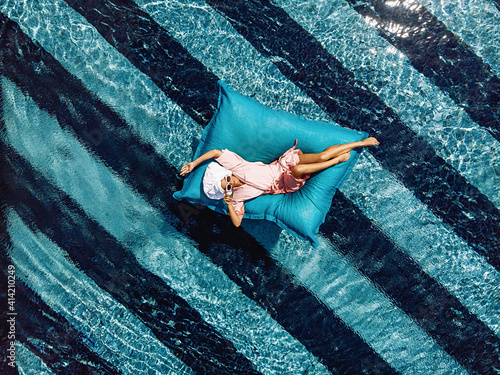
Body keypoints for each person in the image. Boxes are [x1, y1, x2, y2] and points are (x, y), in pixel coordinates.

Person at [180, 137, 379, 227]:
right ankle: (336, 161)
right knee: (301, 169)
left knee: (320, 156)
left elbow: (216, 152)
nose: (230, 182)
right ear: (226, 192)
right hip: (283, 183)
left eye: (227, 180)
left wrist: (193, 164)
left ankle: (360, 143)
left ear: (225, 175)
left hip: (282, 165)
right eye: (227, 187)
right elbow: (237, 223)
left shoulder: (236, 166)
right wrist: (230, 203)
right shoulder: (237, 199)